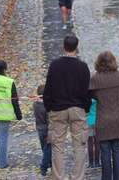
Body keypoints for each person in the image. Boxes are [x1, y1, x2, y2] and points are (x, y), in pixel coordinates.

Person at [43, 35, 91, 180]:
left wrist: (49, 107)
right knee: (80, 145)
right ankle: (78, 176)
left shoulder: (55, 65)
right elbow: (86, 90)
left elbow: (48, 89)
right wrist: (85, 107)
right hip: (77, 108)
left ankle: (59, 176)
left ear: (63, 47)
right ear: (76, 47)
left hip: (58, 109)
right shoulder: (83, 67)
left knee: (58, 146)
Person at [89, 51, 119, 180]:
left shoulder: (95, 79)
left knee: (105, 152)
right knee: (117, 151)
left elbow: (92, 96)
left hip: (103, 118)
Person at [33, 84, 52, 176]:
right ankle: (44, 167)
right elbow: (48, 120)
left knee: (44, 148)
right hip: (46, 129)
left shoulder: (35, 104)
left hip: (39, 129)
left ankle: (50, 164)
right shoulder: (47, 106)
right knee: (48, 148)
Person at [86, 98, 101, 168]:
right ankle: (97, 162)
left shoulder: (87, 97)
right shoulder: (97, 97)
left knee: (89, 143)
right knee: (97, 142)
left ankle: (91, 163)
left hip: (89, 120)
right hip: (97, 119)